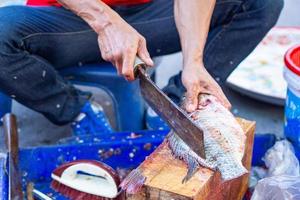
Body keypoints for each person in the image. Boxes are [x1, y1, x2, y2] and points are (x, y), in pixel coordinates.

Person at [0, 0, 283, 134]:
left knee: (261, 2)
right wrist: (107, 23)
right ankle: (76, 110)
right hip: (68, 18)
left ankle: (174, 105)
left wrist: (193, 61)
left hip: (149, 14)